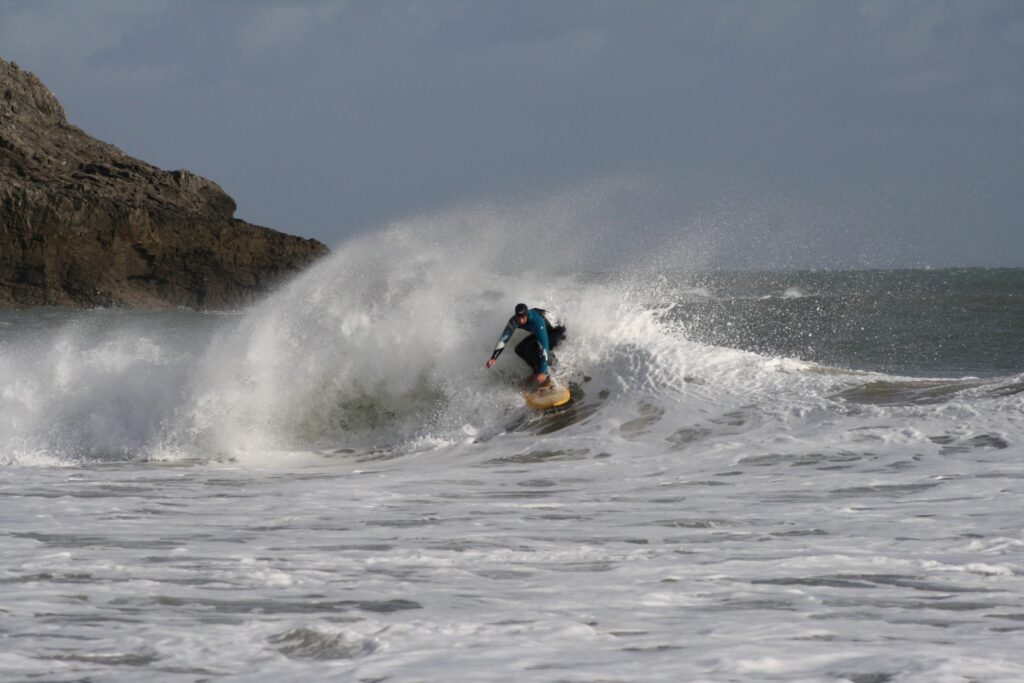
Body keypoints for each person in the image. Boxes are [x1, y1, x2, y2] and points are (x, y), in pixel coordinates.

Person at [486, 303, 566, 386]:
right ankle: (536, 372)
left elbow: (544, 347)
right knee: (519, 349)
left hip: (558, 332)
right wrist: (494, 358)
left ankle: (547, 378)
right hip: (545, 331)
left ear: (527, 315)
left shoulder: (537, 321)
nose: (521, 321)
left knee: (533, 348)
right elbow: (503, 339)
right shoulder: (514, 321)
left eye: (523, 317)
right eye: (518, 317)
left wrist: (543, 372)